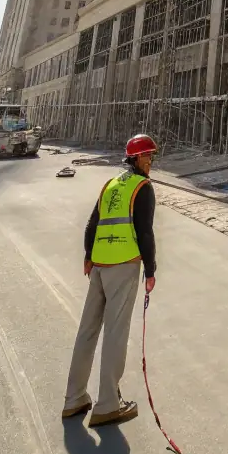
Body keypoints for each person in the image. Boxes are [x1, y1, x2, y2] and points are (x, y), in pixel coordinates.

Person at [61, 132, 159, 426]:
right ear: (137, 158)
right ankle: (107, 404)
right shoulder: (142, 186)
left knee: (87, 331)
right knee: (116, 332)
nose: (151, 162)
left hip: (100, 265)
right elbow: (145, 231)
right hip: (124, 265)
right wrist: (151, 270)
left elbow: (93, 222)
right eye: (149, 156)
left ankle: (74, 398)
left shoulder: (112, 184)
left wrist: (88, 256)